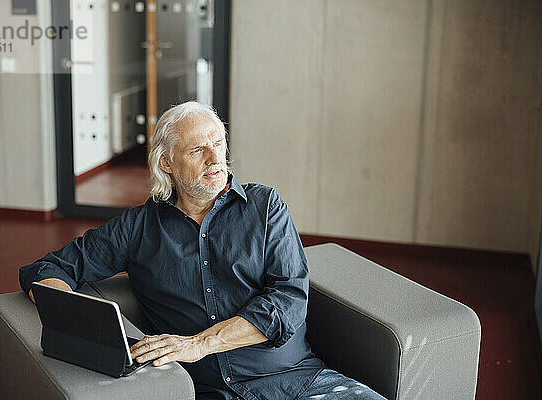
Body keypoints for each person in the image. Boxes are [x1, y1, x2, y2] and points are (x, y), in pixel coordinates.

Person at [19, 102, 385, 400]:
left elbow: (288, 299)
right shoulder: (137, 228)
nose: (215, 159)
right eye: (198, 149)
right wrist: (82, 322)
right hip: (203, 391)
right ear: (167, 164)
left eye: (219, 144)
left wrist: (200, 344)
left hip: (294, 382)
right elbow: (48, 269)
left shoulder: (265, 206)